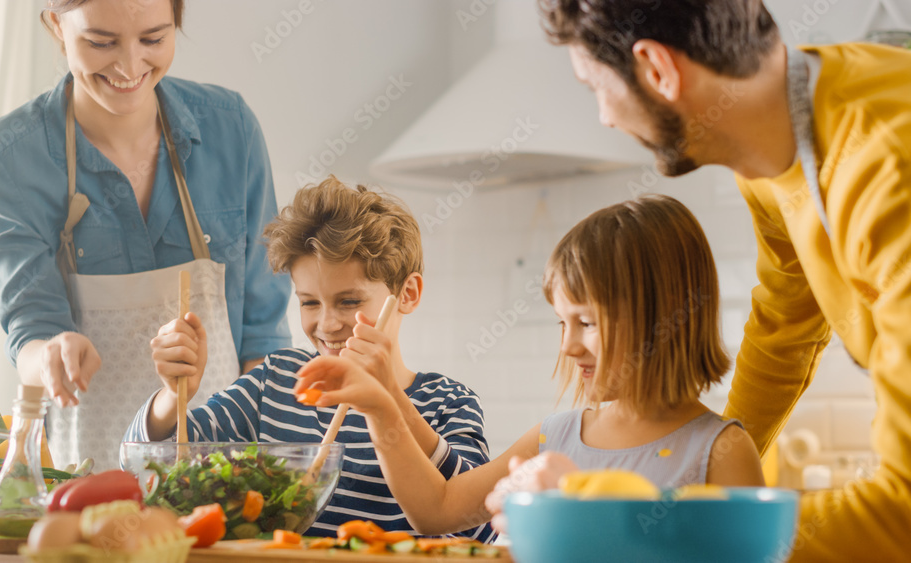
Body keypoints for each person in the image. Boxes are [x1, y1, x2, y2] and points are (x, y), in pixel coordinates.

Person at [525, 1, 911, 560]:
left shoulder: (885, 169)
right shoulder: (775, 150)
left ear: (658, 69)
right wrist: (708, 470)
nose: (605, 117)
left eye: (594, 88)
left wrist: (647, 528)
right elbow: (785, 324)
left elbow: (902, 511)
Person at [295, 195, 765, 536]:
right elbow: (435, 511)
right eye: (562, 322)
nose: (568, 346)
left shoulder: (720, 452)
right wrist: (380, 409)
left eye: (587, 323)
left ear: (660, 317)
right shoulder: (554, 437)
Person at [0, 0, 291, 469]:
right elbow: (30, 332)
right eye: (101, 42)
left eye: (154, 39)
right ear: (55, 24)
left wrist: (265, 474)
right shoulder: (5, 159)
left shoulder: (231, 129)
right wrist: (53, 353)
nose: (130, 65)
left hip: (227, 479)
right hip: (91, 482)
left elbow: (265, 338)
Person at [124, 176, 496, 541]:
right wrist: (173, 396)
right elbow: (151, 471)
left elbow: (477, 523)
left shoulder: (448, 402)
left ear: (408, 294)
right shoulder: (276, 383)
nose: (327, 324)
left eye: (349, 301)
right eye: (309, 303)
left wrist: (386, 401)